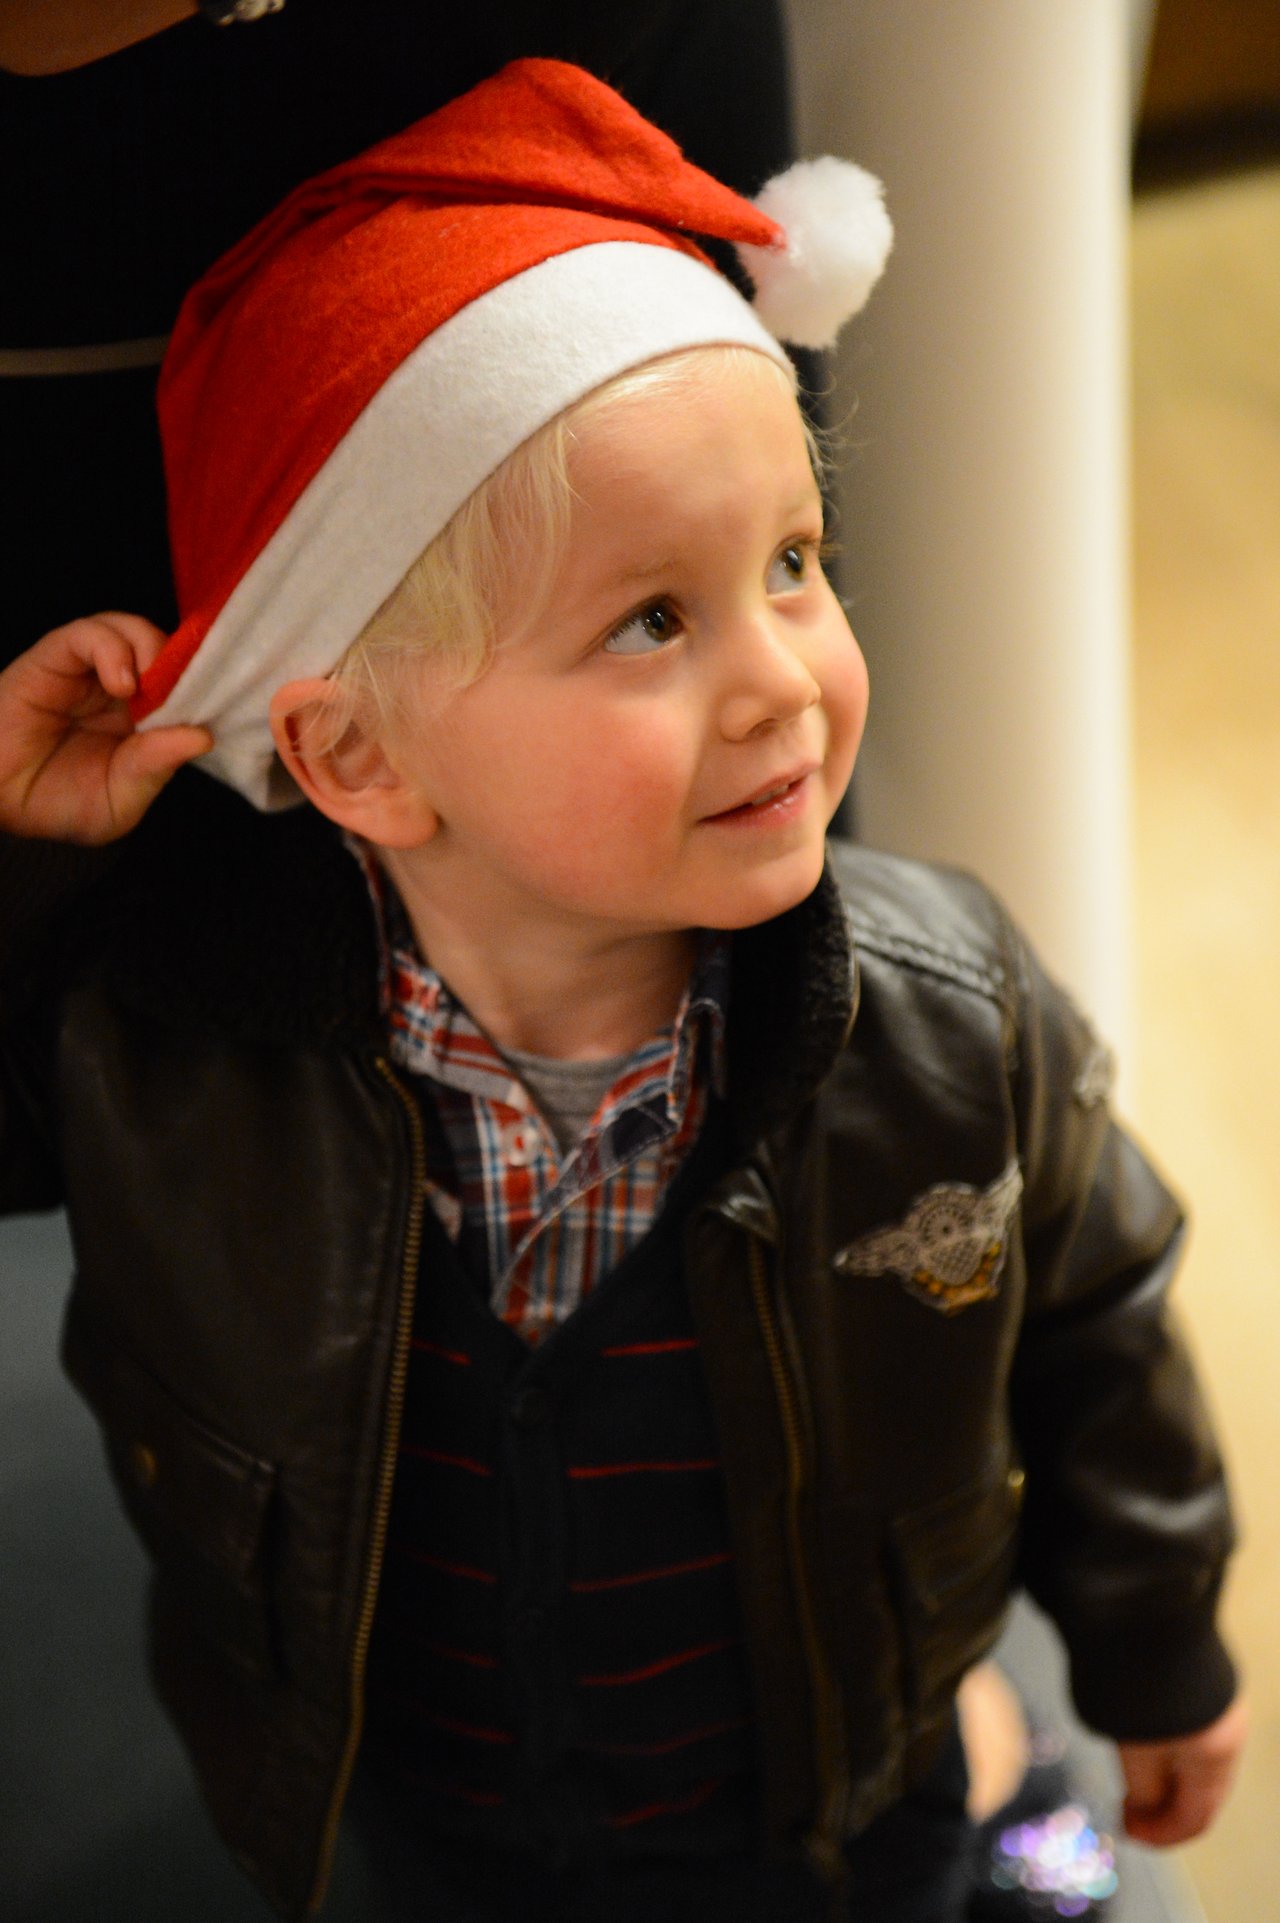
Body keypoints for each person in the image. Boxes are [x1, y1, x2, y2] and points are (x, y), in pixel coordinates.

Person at [0, 59, 1245, 1923]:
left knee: (915, 1870)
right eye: (651, 620)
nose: (781, 681)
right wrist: (30, 857)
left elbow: (1099, 1322)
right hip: (438, 1800)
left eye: (795, 566)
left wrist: (1156, 1652)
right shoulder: (171, 1049)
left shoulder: (944, 1013)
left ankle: (1007, 1784)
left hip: (839, 1772)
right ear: (353, 760)